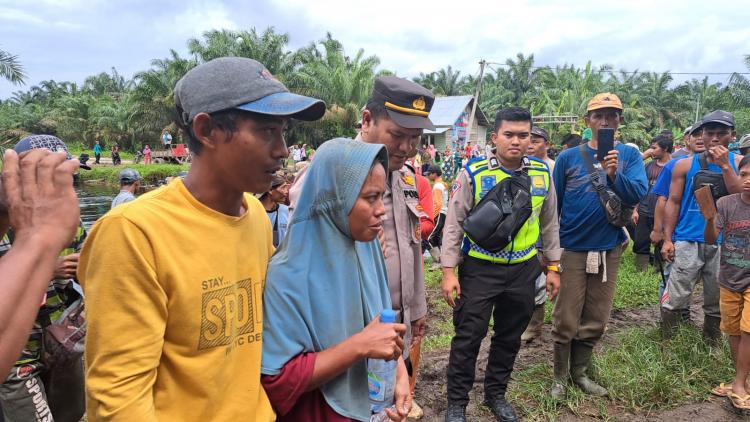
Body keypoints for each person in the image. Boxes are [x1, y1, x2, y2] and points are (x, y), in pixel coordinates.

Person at [77, 57, 325, 420]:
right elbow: (119, 399)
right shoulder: (133, 233)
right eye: (267, 131)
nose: (283, 149)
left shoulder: (255, 215)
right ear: (207, 130)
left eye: (283, 131)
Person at [262, 138, 410, 422]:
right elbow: (276, 381)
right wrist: (359, 346)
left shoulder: (366, 246)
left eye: (382, 196)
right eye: (370, 198)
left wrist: (399, 375)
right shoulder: (287, 274)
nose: (382, 209)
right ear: (334, 199)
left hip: (372, 405)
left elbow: (382, 322)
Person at [440, 107, 561, 422]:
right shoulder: (474, 173)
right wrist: (449, 271)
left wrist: (554, 267)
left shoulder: (541, 174)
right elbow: (453, 224)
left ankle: (496, 395)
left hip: (523, 270)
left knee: (509, 337)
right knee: (468, 337)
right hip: (479, 269)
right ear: (495, 137)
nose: (517, 141)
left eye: (524, 135)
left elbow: (549, 225)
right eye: (509, 134)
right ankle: (456, 404)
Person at [550, 93, 647, 400]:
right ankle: (559, 378)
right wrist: (551, 250)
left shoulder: (629, 155)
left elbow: (639, 193)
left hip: (609, 248)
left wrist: (614, 174)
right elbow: (556, 206)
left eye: (612, 115)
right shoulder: (568, 158)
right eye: (598, 115)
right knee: (566, 315)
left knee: (597, 316)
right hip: (573, 248)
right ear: (587, 121)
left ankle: (580, 373)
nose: (605, 120)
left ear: (619, 120)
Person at [0, 135, 89, 422]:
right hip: (19, 354)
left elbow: (90, 269)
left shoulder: (70, 222)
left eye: (66, 177)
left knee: (72, 415)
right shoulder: (5, 224)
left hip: (62, 344)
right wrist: (48, 266)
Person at [660, 110, 742, 342]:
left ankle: (712, 341)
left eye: (721, 133)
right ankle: (669, 341)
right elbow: (673, 202)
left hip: (726, 242)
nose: (715, 138)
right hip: (688, 238)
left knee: (716, 295)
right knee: (677, 292)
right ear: (701, 134)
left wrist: (726, 166)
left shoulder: (740, 164)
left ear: (732, 136)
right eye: (710, 132)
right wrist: (668, 239)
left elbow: (742, 199)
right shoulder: (684, 165)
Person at [703, 155, 750, 409]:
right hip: (729, 277)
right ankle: (740, 380)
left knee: (748, 330)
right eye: (743, 175)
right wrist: (710, 219)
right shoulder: (726, 203)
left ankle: (740, 382)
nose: (748, 180)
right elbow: (711, 239)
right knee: (733, 330)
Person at [632, 135, 673, 271]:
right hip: (644, 209)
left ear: (665, 148)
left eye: (654, 148)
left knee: (662, 243)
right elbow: (640, 189)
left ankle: (659, 269)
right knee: (640, 241)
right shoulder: (648, 166)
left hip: (665, 212)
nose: (651, 151)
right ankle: (640, 270)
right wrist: (635, 209)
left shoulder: (675, 167)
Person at [258, 174, 290, 247]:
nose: (286, 192)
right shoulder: (253, 210)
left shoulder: (287, 211)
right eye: (283, 187)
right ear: (270, 190)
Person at [426, 165, 448, 266]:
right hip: (443, 213)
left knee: (430, 238)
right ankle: (441, 259)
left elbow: (438, 204)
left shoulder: (437, 186)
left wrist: (432, 216)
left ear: (434, 174)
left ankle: (438, 261)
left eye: (429, 174)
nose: (428, 176)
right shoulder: (442, 184)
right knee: (437, 238)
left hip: (439, 213)